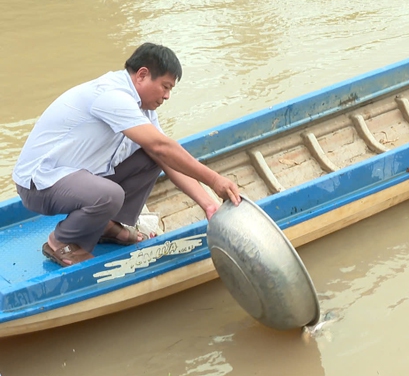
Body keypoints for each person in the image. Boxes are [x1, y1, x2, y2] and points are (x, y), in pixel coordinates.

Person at [12, 43, 241, 267]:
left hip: (73, 176)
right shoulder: (112, 95)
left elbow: (165, 156)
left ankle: (105, 225)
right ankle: (60, 241)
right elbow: (163, 146)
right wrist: (214, 179)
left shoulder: (143, 108)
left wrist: (208, 204)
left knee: (153, 157)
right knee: (110, 194)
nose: (168, 96)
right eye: (165, 86)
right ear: (142, 75)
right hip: (38, 184)